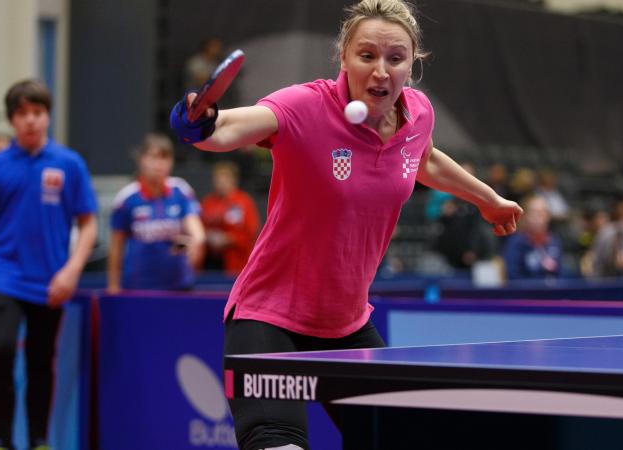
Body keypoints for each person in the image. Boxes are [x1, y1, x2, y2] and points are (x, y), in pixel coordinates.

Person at [169, 1, 523, 448]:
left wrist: (487, 200)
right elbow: (229, 129)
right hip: (268, 316)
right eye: (367, 55)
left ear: (412, 64)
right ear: (344, 57)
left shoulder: (418, 115)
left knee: (400, 434)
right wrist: (199, 123)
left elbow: (425, 159)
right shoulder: (305, 107)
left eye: (395, 58)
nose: (381, 70)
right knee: (278, 442)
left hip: (345, 324)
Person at [0, 79, 98, 450]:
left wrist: (71, 270)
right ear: (13, 120)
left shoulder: (69, 163)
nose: (31, 120)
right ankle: (1, 438)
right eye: (22, 114)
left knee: (41, 362)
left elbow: (88, 222)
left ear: (47, 116)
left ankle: (38, 440)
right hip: (2, 275)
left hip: (51, 279)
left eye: (37, 112)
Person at [107, 133, 205, 293]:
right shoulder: (126, 198)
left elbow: (194, 225)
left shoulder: (180, 190)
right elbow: (116, 247)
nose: (158, 164)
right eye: (153, 157)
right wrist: (113, 286)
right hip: (138, 288)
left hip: (179, 286)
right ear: (141, 160)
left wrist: (198, 239)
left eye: (164, 158)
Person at [200, 161, 261, 275]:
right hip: (210, 261)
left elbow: (251, 232)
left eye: (225, 178)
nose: (221, 182)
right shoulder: (208, 202)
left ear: (234, 180)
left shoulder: (244, 201)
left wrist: (229, 239)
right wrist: (208, 236)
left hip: (235, 262)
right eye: (218, 179)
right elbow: (199, 227)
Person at [503, 195, 562, 279]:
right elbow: (514, 278)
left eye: (543, 212)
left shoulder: (554, 242)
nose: (540, 217)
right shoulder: (515, 243)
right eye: (535, 213)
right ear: (524, 217)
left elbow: (559, 276)